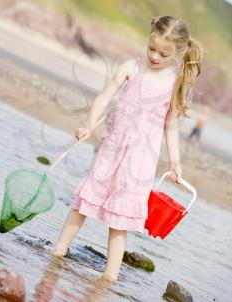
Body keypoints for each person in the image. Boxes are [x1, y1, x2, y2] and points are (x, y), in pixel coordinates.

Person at [52, 16, 203, 282]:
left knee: (119, 220)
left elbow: (171, 126)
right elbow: (104, 96)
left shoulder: (173, 84)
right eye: (151, 49)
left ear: (177, 53)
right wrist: (87, 124)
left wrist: (175, 163)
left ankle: (109, 276)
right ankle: (58, 250)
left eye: (163, 53)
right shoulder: (131, 67)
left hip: (140, 161)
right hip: (111, 150)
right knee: (83, 202)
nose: (155, 56)